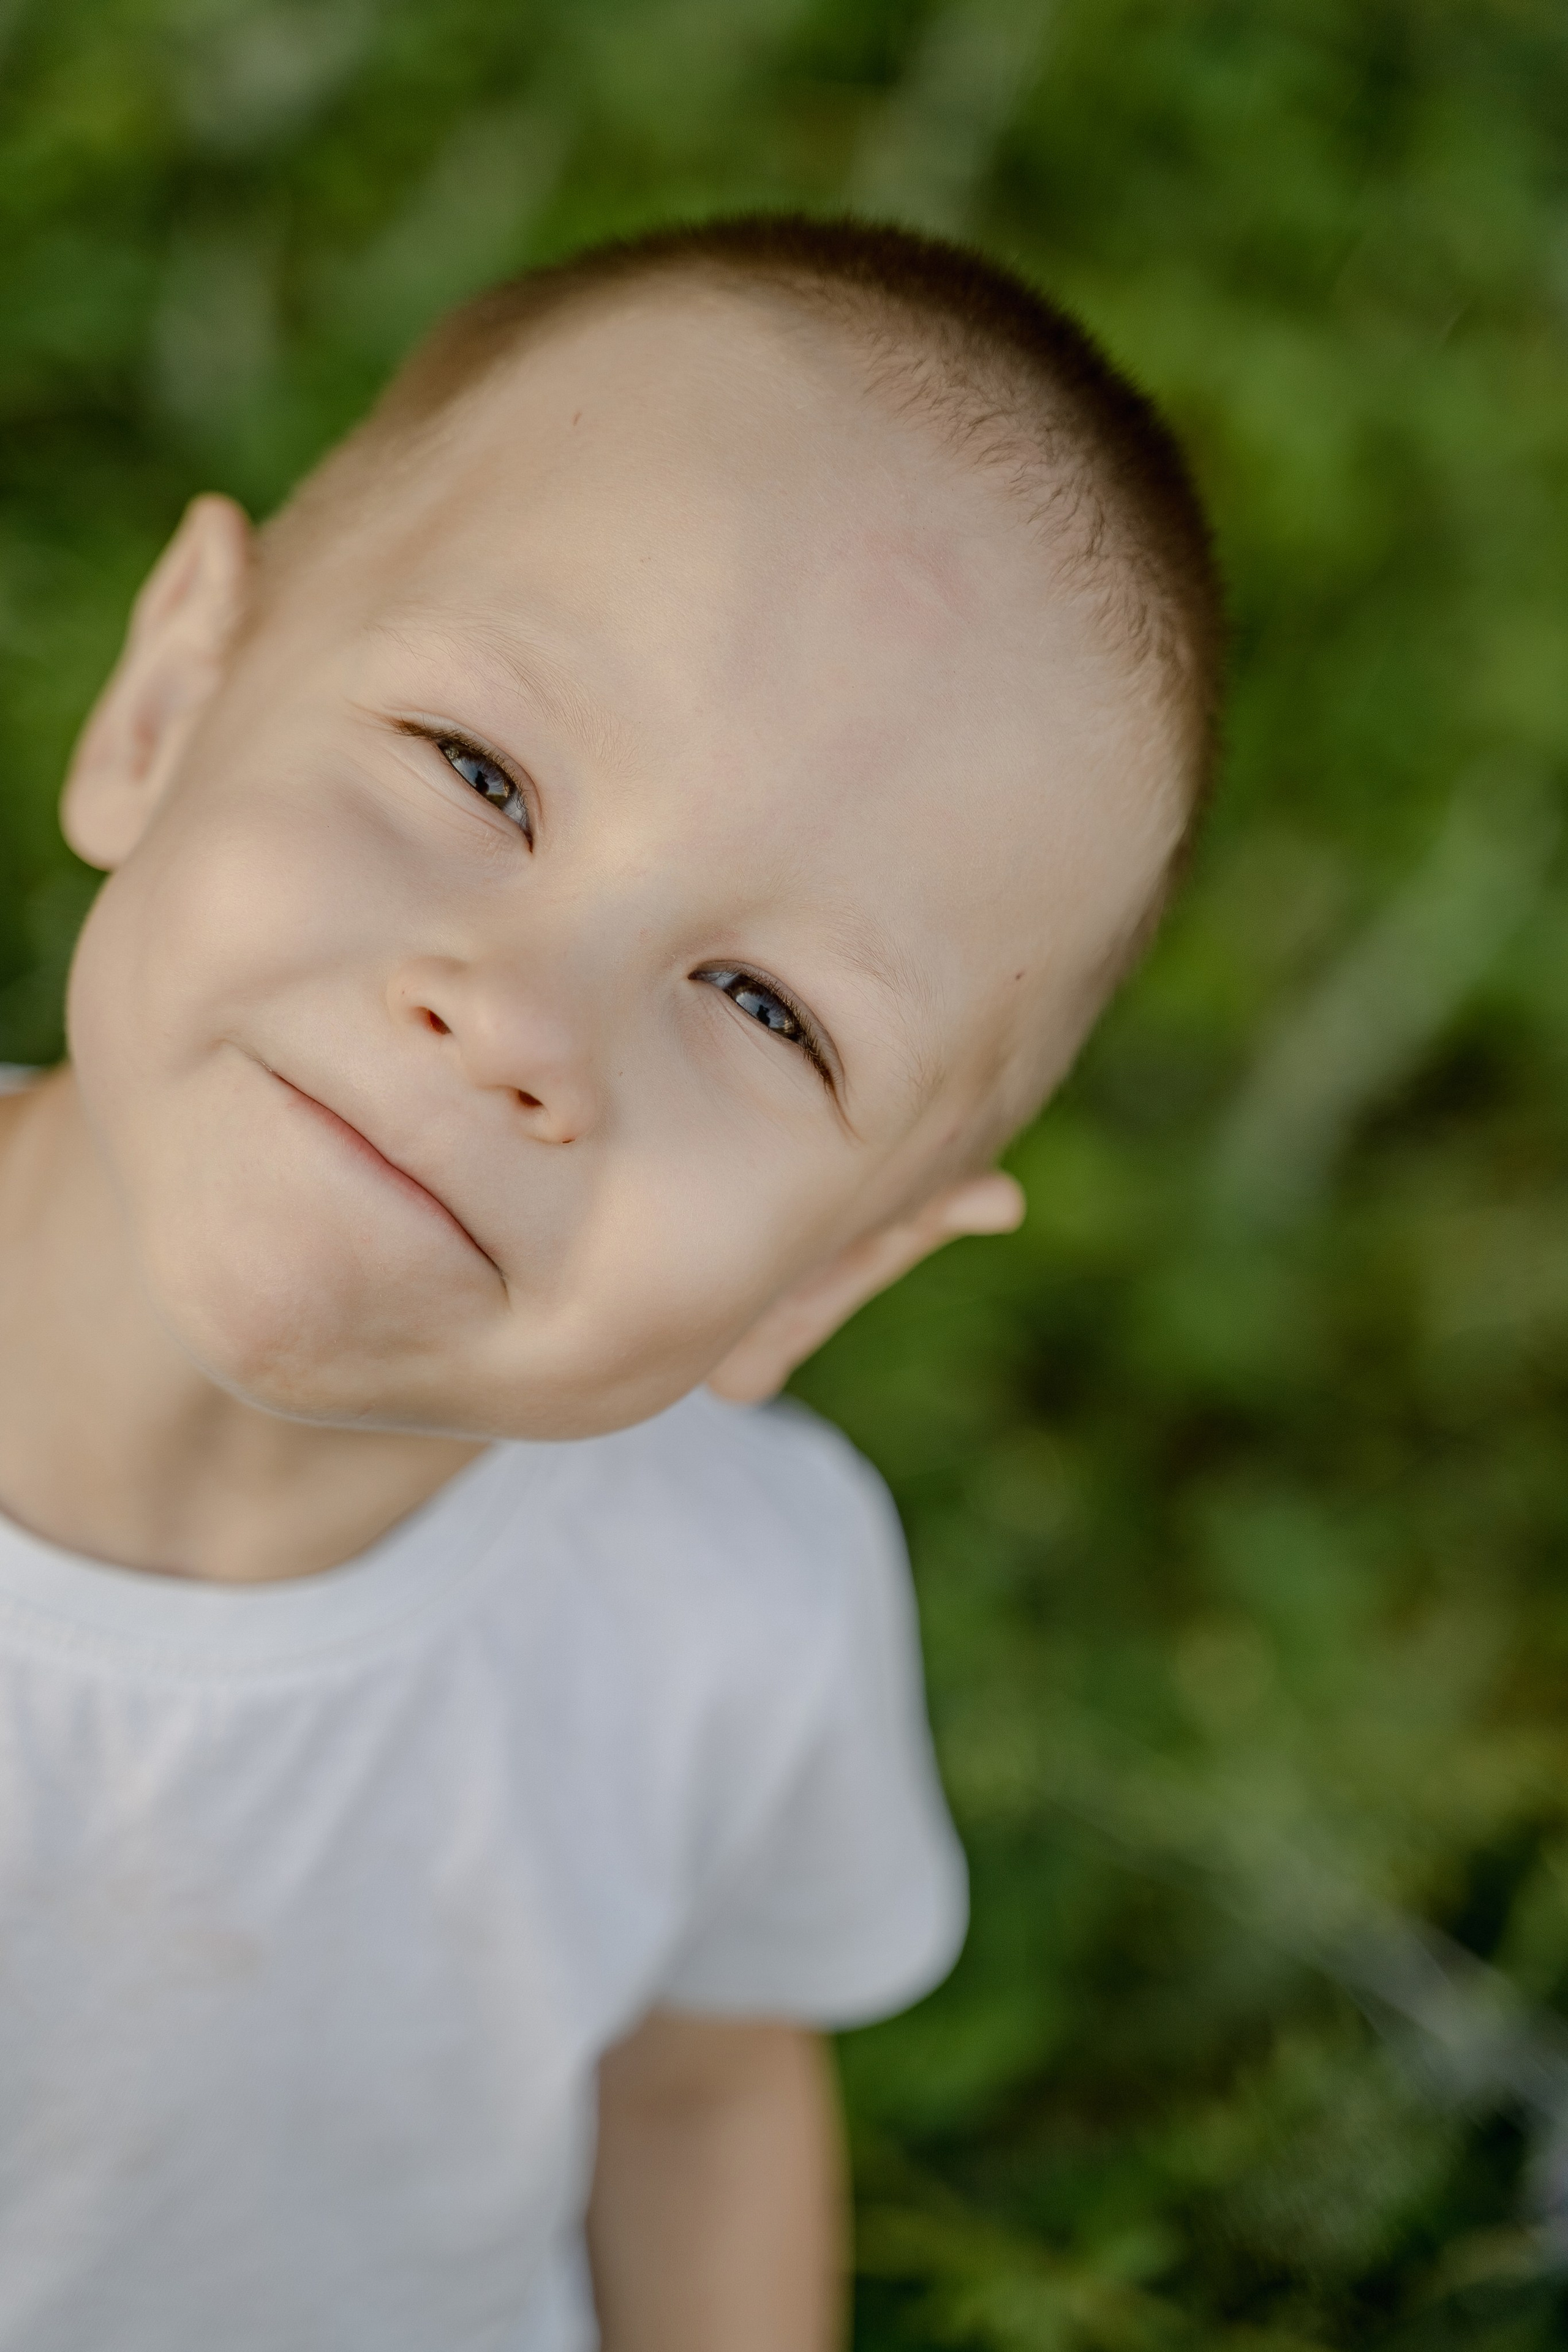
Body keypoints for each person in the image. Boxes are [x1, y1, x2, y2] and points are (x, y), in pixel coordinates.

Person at [0, 214, 1221, 2351]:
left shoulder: (733, 1619)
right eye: (480, 772)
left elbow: (706, 2080)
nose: (525, 1020)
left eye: (763, 1007)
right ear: (170, 700)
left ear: (832, 1277)